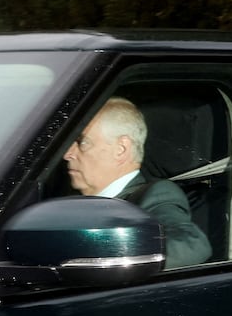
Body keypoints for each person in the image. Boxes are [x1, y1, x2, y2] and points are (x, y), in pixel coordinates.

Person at [63, 96, 212, 268]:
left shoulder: (154, 197)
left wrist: (106, 260)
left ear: (121, 149)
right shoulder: (68, 202)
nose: (68, 154)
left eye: (83, 142)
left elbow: (190, 245)